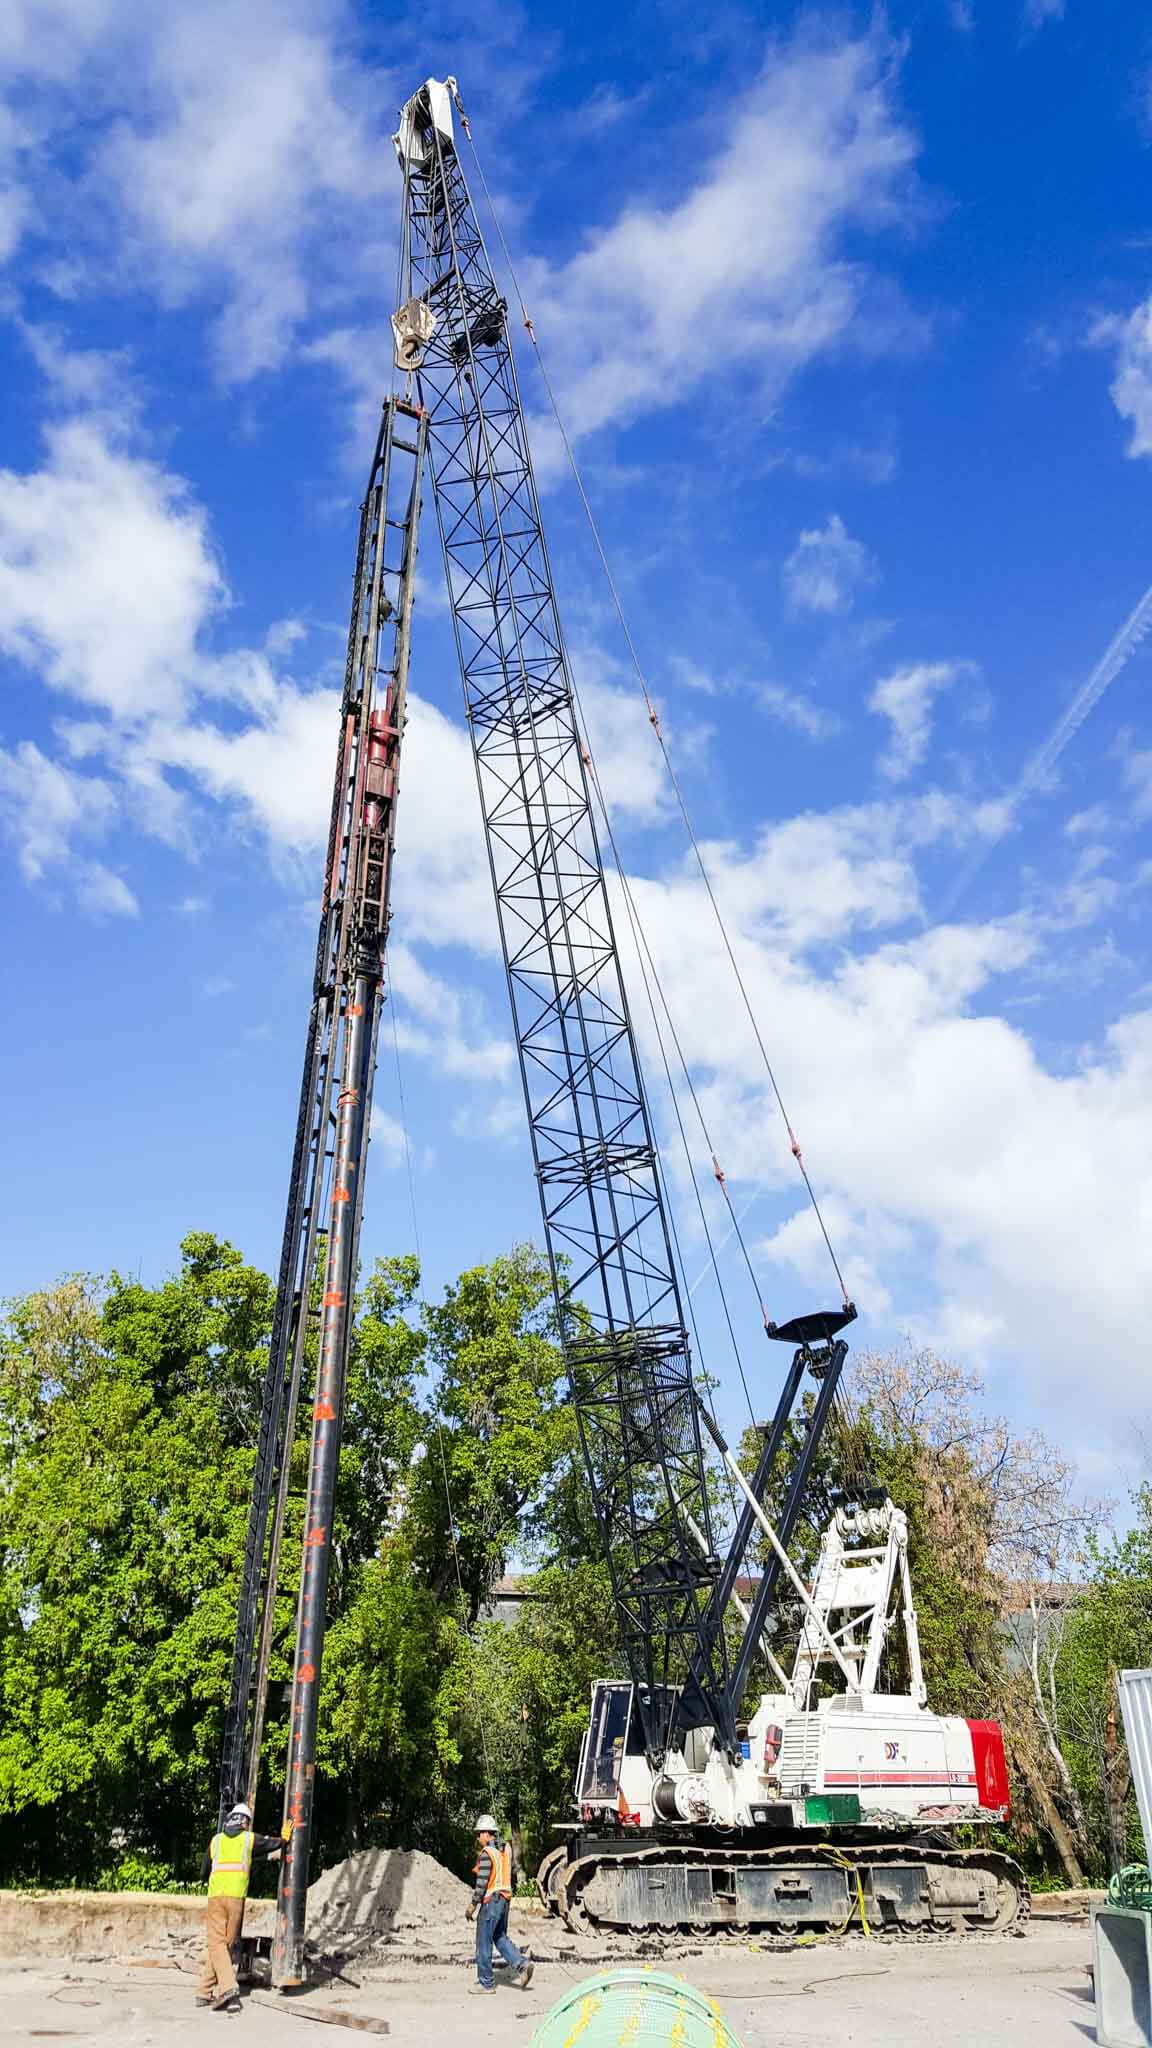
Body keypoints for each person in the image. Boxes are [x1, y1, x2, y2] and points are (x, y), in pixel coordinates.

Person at [197, 1802, 293, 2012]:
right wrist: (284, 1839)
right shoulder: (249, 1839)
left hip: (216, 1897)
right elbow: (271, 1844)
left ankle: (211, 1990)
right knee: (226, 1945)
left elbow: (204, 1871)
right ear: (245, 1822)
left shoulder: (216, 1841)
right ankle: (220, 1989)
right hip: (236, 1899)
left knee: (217, 1945)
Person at [465, 1813, 534, 1996]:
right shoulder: (505, 1851)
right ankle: (522, 1965)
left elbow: (482, 1882)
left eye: (479, 1833)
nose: (477, 1837)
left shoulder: (487, 1854)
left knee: (483, 1941)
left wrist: (472, 1905)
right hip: (504, 1901)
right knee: (500, 1937)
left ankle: (486, 1983)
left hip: (491, 1901)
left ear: (486, 1834)